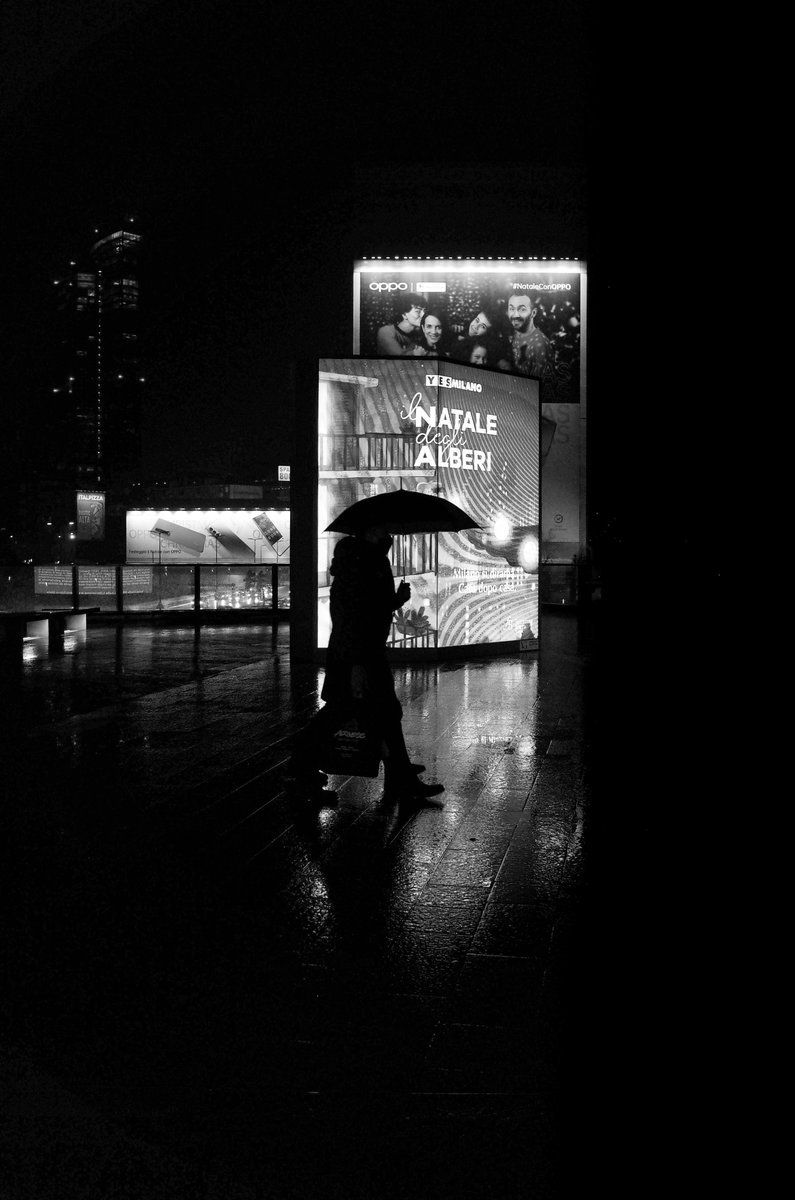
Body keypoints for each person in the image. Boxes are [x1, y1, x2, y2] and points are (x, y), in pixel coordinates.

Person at [287, 526, 445, 806]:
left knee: (385, 713)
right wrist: (357, 665)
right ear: (370, 531)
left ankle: (401, 778)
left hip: (365, 654)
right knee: (337, 716)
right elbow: (352, 617)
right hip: (356, 658)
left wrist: (396, 600)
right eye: (381, 527)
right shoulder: (359, 563)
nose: (387, 532)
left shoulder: (372, 559)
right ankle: (301, 770)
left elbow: (371, 609)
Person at [507, 292, 551, 376]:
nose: (515, 315)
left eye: (522, 309)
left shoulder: (539, 345)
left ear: (533, 313)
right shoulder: (514, 333)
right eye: (512, 309)